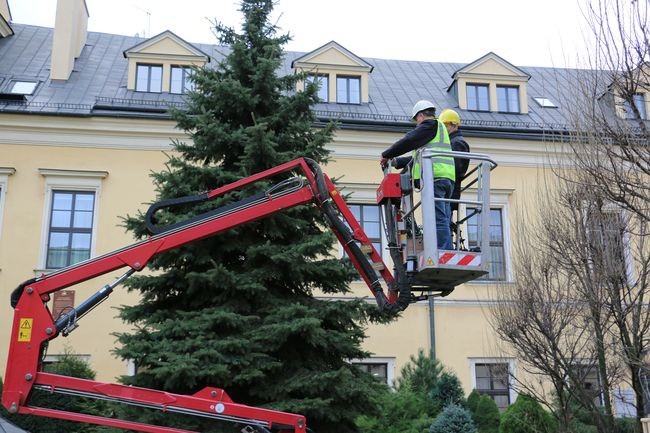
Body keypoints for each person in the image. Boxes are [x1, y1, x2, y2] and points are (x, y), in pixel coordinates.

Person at [380, 100, 455, 250]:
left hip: (435, 178)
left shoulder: (430, 125)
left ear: (421, 115)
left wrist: (386, 154)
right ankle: (445, 248)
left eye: (416, 120)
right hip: (446, 178)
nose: (416, 125)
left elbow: (409, 140)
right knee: (444, 218)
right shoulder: (438, 130)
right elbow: (417, 158)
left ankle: (443, 251)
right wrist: (396, 162)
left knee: (438, 218)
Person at [438, 109, 470, 215]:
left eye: (446, 126)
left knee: (443, 220)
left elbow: (456, 170)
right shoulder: (451, 142)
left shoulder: (457, 143)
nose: (444, 130)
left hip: (450, 192)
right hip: (448, 191)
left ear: (455, 125)